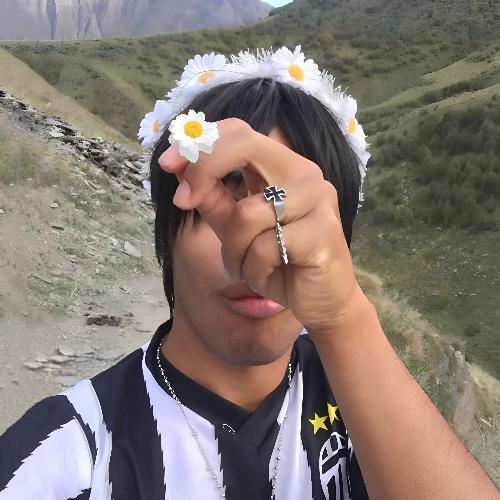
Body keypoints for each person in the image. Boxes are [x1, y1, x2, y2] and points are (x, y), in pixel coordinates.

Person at [0, 46, 498, 500]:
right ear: (166, 228)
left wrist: (344, 317)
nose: (260, 251)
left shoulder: (367, 404)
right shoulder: (65, 456)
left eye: (294, 214)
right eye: (224, 202)